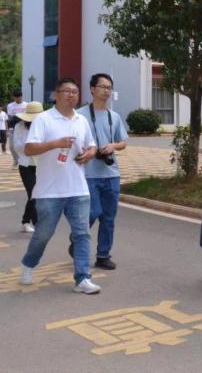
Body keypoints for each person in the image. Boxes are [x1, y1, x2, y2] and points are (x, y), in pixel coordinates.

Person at [19, 77, 100, 294]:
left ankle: (82, 278)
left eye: (75, 92)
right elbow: (29, 149)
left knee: (82, 234)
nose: (71, 95)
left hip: (78, 188)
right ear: (56, 94)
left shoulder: (81, 120)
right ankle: (28, 264)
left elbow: (92, 145)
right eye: (66, 91)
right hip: (49, 191)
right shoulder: (44, 119)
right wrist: (56, 144)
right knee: (43, 234)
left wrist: (89, 154)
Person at [76, 73, 128, 270]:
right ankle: (77, 238)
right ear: (92, 89)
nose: (106, 91)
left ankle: (103, 255)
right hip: (87, 174)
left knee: (108, 217)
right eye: (102, 87)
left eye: (109, 88)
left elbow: (123, 142)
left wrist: (113, 146)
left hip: (111, 173)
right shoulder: (79, 115)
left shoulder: (114, 116)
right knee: (92, 212)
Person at [13, 101, 44, 233]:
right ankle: (38, 225)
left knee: (37, 194)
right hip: (26, 165)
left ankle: (25, 221)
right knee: (33, 193)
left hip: (42, 164)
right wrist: (32, 145)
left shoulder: (45, 125)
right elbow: (18, 147)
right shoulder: (19, 126)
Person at [7, 90, 28, 168]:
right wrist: (9, 127)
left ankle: (23, 161)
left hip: (24, 128)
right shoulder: (10, 105)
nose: (18, 99)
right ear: (13, 97)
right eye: (16, 97)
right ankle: (16, 160)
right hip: (14, 127)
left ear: (21, 96)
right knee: (11, 146)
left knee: (23, 145)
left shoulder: (27, 105)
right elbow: (9, 117)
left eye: (19, 97)